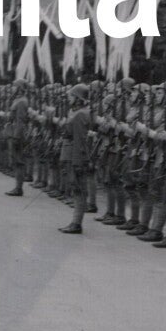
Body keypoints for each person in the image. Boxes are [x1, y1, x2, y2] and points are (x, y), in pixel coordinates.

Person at [57, 84, 95, 234]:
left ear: (78, 98)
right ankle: (75, 222)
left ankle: (76, 223)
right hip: (71, 153)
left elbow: (80, 140)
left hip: (75, 155)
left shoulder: (80, 114)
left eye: (71, 95)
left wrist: (78, 162)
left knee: (79, 189)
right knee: (76, 188)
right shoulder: (77, 112)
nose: (69, 98)